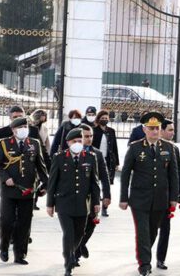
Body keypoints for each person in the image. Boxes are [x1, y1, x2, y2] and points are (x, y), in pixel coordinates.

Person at [120, 112, 179, 276]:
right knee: (143, 232)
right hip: (139, 199)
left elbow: (173, 175)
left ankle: (142, 252)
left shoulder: (168, 147)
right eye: (151, 128)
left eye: (157, 128)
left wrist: (174, 197)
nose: (155, 131)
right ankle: (145, 264)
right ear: (144, 129)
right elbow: (125, 174)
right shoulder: (135, 147)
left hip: (160, 199)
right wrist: (124, 198)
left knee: (153, 231)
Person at [0, 117, 48, 265]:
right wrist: (5, 178)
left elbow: (40, 166)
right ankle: (4, 246)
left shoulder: (34, 144)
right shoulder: (3, 143)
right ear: (13, 130)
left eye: (25, 126)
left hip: (28, 189)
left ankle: (20, 254)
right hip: (9, 189)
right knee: (7, 221)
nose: (24, 129)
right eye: (20, 127)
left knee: (24, 223)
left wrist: (46, 185)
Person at [46, 129, 101, 276]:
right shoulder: (59, 157)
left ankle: (72, 251)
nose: (77, 144)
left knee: (79, 233)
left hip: (83, 203)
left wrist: (96, 202)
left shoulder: (90, 157)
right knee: (68, 234)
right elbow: (52, 182)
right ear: (68, 143)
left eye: (79, 141)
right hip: (64, 203)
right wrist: (50, 203)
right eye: (74, 141)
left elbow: (94, 182)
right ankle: (68, 262)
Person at [76, 124, 111, 261]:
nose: (89, 139)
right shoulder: (71, 152)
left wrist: (107, 195)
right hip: (76, 196)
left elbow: (104, 175)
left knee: (91, 224)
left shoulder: (97, 153)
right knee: (78, 227)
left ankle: (81, 244)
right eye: (86, 136)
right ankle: (75, 255)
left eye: (91, 136)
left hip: (93, 196)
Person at [154, 118, 180, 270]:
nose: (173, 133)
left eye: (173, 130)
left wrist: (177, 196)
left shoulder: (173, 149)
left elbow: (177, 174)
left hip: (166, 197)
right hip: (150, 197)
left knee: (165, 229)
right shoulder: (149, 146)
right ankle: (144, 256)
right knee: (150, 230)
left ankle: (160, 259)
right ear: (161, 130)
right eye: (170, 130)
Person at [92, 110, 120, 195]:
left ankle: (105, 196)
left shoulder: (111, 131)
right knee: (96, 177)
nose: (104, 119)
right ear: (98, 119)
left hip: (108, 158)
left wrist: (117, 163)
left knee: (106, 178)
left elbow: (114, 147)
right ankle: (97, 195)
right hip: (96, 158)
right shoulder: (93, 130)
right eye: (102, 118)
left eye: (106, 118)